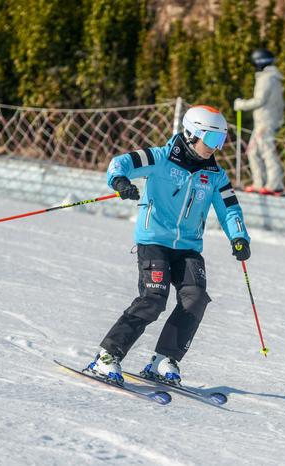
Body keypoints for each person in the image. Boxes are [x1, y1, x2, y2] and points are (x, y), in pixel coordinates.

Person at [87, 105, 251, 385]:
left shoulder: (215, 174)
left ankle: (163, 359)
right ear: (191, 134)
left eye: (221, 142)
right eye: (211, 140)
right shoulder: (160, 158)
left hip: (188, 247)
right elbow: (120, 162)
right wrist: (120, 181)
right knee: (153, 298)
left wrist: (239, 237)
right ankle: (107, 356)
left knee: (195, 298)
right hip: (154, 241)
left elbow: (229, 209)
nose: (216, 148)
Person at [234, 48, 285, 195]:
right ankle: (259, 183)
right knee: (253, 151)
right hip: (266, 121)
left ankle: (274, 185)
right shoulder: (273, 77)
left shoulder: (267, 78)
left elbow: (260, 101)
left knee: (266, 151)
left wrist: (241, 104)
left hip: (265, 121)